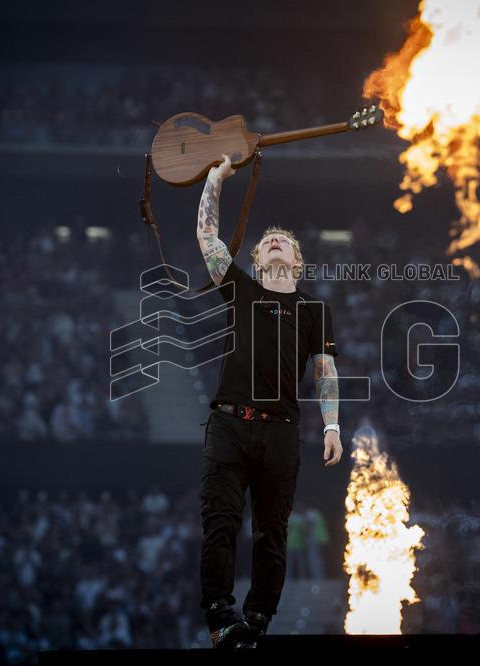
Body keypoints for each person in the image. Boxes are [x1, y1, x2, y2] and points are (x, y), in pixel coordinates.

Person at [196, 155, 343, 649]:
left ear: (297, 263)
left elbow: (324, 370)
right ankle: (220, 615)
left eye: (285, 241)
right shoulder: (240, 288)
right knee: (220, 521)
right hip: (230, 424)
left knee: (272, 532)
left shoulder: (313, 309)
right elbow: (209, 239)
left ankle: (257, 621)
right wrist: (215, 179)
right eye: (267, 241)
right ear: (258, 260)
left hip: (280, 429)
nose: (275, 239)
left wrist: (332, 426)